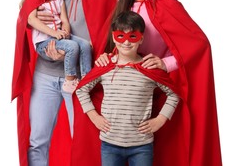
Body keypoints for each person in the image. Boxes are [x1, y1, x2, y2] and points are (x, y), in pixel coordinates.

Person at [94, 0, 223, 165]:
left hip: (158, 91)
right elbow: (111, 46)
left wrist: (165, 63)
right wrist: (104, 59)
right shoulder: (122, 8)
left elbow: (199, 45)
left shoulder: (167, 4)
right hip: (127, 95)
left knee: (164, 154)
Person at [11, 0, 118, 166]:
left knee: (84, 138)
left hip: (81, 79)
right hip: (45, 75)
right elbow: (29, 1)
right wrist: (33, 11)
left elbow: (111, 32)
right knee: (38, 140)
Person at [76, 10, 180, 166]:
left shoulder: (149, 67)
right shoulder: (106, 65)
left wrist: (160, 119)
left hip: (142, 145)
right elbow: (81, 89)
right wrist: (94, 116)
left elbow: (173, 94)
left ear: (141, 39)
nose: (126, 43)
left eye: (132, 37)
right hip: (109, 144)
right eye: (120, 36)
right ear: (113, 37)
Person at [26, 0, 92, 94]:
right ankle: (70, 80)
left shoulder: (59, 0)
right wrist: (54, 32)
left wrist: (66, 30)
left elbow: (64, 20)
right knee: (72, 47)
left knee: (85, 45)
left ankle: (87, 78)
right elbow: (31, 19)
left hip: (59, 37)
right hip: (43, 41)